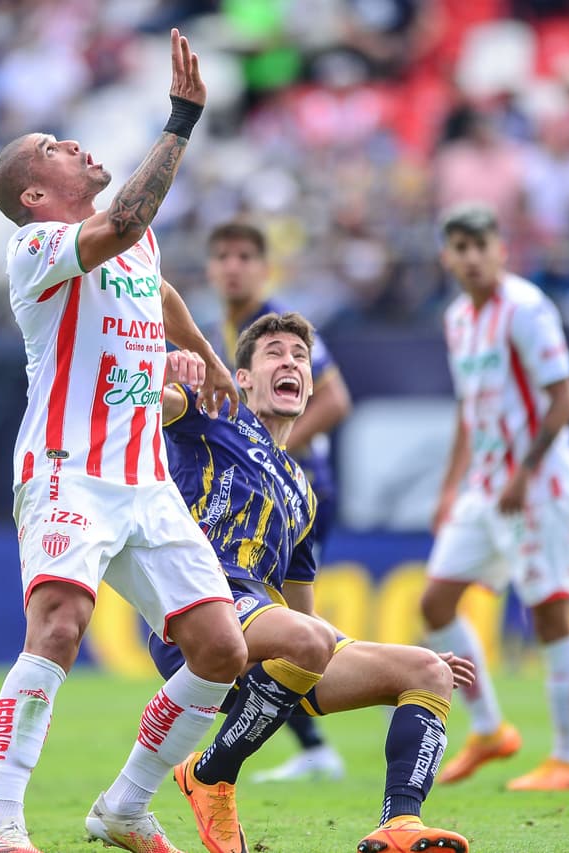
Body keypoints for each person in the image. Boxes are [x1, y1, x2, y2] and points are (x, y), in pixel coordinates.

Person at [0, 29, 250, 853]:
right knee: (58, 625)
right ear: (35, 194)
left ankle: (124, 804)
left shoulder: (136, 243)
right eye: (51, 148)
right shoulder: (39, 249)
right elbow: (128, 220)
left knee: (221, 649)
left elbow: (155, 285)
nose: (71, 143)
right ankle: (1, 825)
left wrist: (204, 360)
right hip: (68, 473)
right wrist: (180, 120)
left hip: (144, 481)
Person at [152, 311, 475, 853]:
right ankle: (212, 774)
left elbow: (307, 621)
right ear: (245, 377)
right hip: (196, 611)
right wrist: (165, 371)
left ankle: (400, 824)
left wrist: (383, 656)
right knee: (304, 640)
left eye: (300, 357)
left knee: (424, 671)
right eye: (274, 353)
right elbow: (133, 401)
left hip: (265, 634)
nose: (291, 363)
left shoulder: (302, 489)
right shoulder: (212, 411)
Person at [420, 204, 569, 792]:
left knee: (549, 615)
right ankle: (490, 730)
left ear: (501, 250)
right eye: (458, 248)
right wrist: (449, 488)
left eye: (479, 246)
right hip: (486, 491)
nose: (469, 257)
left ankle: (568, 761)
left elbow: (565, 399)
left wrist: (524, 472)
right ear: (447, 257)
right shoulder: (457, 319)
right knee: (436, 603)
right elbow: (469, 413)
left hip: (539, 489)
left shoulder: (526, 309)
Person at [202, 221, 354, 783]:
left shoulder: (276, 324)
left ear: (265, 267)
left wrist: (273, 455)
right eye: (222, 256)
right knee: (264, 620)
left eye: (245, 255)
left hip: (296, 495)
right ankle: (308, 741)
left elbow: (336, 397)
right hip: (267, 494)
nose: (233, 266)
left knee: (266, 618)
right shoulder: (228, 327)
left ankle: (288, 740)